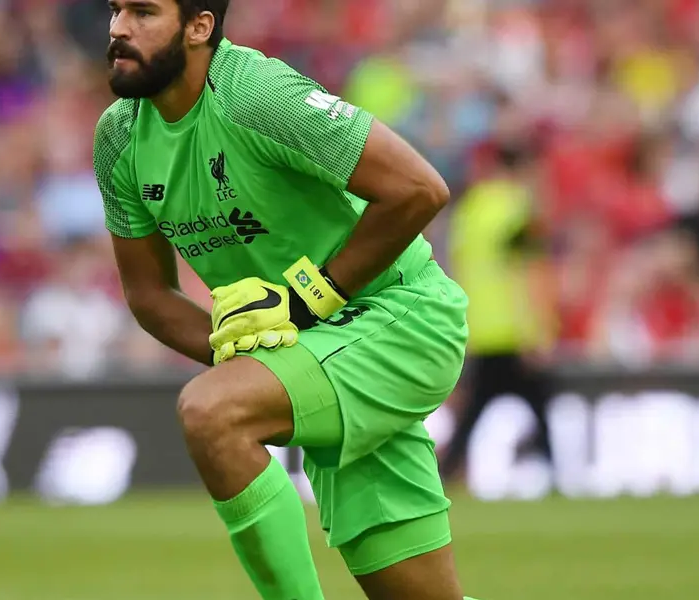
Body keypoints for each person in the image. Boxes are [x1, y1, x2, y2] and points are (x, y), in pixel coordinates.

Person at [93, 1, 476, 599]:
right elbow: (148, 294)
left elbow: (420, 189)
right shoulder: (118, 138)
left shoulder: (257, 96)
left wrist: (304, 303)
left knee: (211, 414)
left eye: (143, 12)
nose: (118, 28)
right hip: (318, 352)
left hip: (401, 318)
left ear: (200, 26)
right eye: (115, 9)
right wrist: (241, 358)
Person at [442, 142, 555, 481]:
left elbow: (455, 267)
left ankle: (448, 471)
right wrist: (537, 332)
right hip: (513, 330)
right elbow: (527, 275)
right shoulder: (519, 211)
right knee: (538, 405)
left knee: (475, 411)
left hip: (478, 328)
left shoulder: (469, 210)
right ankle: (555, 471)